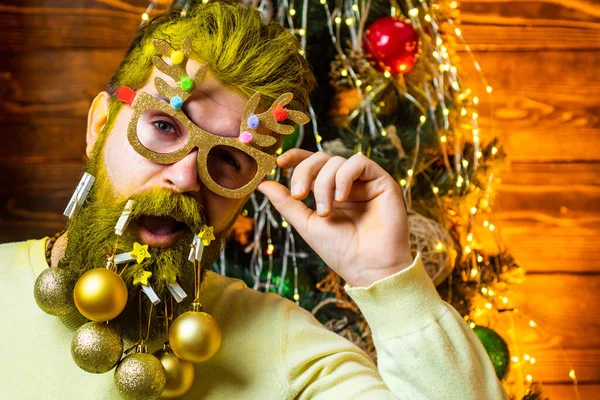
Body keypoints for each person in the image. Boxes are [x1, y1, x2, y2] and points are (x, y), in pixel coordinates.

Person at [0, 2, 509, 399]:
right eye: (163, 126)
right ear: (98, 127)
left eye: (228, 161)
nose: (184, 177)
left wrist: (388, 277)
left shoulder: (286, 347)